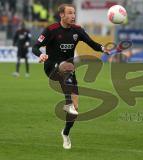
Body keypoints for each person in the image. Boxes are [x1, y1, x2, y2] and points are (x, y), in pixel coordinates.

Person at [32, 3, 109, 149]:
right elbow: (35, 46)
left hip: (68, 71)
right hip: (52, 67)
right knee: (65, 67)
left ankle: (66, 133)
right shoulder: (51, 30)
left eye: (74, 13)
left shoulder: (77, 30)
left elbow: (92, 43)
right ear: (62, 15)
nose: (73, 16)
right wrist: (41, 54)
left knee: (75, 110)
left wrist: (102, 48)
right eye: (69, 13)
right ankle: (68, 104)